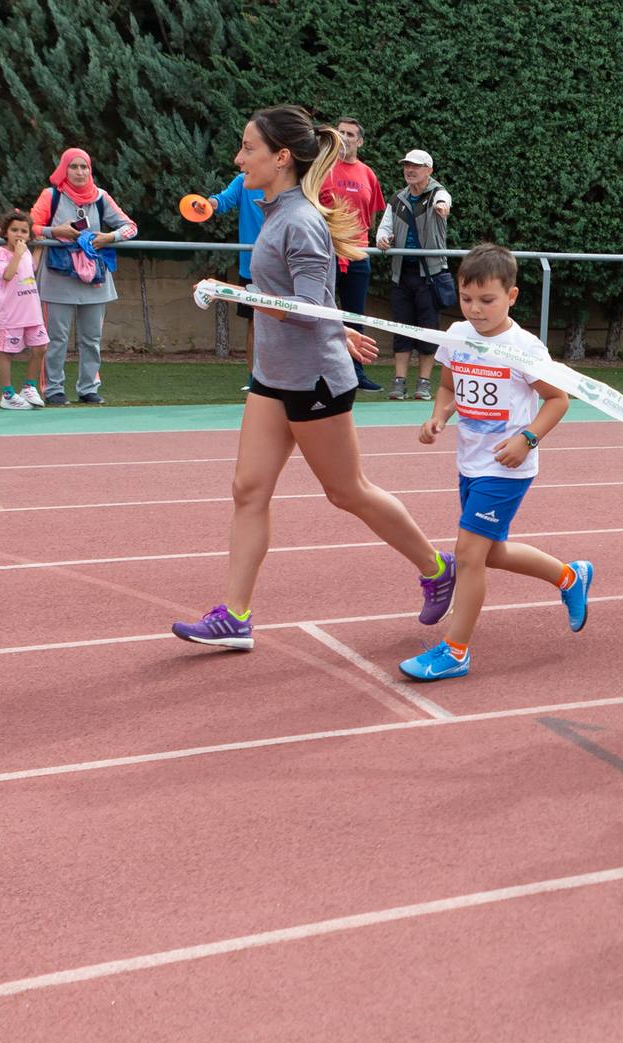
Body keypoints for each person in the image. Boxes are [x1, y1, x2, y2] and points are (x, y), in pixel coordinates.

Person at [172, 107, 456, 651]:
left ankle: (437, 567)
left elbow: (305, 309)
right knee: (248, 489)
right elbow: (318, 301)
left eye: (247, 148)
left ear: (280, 157)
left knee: (346, 491)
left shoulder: (299, 219)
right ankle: (235, 616)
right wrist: (341, 331)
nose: (238, 159)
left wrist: (237, 294)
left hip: (314, 382)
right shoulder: (278, 213)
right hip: (272, 376)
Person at [399, 244, 594, 681]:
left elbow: (558, 399)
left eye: (487, 300)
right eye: (467, 299)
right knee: (489, 552)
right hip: (469, 462)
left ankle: (455, 651)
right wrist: (438, 416)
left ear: (511, 295)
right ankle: (569, 576)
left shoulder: (523, 347)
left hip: (506, 468)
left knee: (468, 555)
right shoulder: (456, 335)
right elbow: (448, 387)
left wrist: (527, 439)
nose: (476, 309)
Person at [29, 147, 136, 405]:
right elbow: (29, 227)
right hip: (58, 276)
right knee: (56, 337)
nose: (79, 172)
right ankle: (53, 388)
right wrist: (56, 231)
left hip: (94, 278)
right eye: (73, 167)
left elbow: (130, 227)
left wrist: (109, 237)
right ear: (64, 169)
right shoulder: (50, 195)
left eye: (84, 167)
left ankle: (89, 387)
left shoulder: (101, 197)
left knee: (92, 338)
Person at [374, 150, 452, 401]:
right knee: (402, 328)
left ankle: (425, 382)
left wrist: (442, 207)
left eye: (416, 166)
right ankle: (399, 382)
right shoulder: (397, 199)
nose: (410, 170)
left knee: (428, 330)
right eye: (407, 165)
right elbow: (383, 229)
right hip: (402, 274)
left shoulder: (437, 193)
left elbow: (444, 201)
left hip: (429, 275)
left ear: (429, 170)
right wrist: (383, 239)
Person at [325, 117, 384, 393]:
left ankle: (356, 372)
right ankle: (321, 373)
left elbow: (369, 213)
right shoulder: (322, 169)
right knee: (322, 312)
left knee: (354, 314)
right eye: (340, 133)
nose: (345, 137)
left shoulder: (368, 174)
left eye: (350, 134)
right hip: (326, 251)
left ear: (359, 141)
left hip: (358, 253)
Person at [207, 171, 267, 377]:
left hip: (283, 268)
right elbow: (222, 200)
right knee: (255, 322)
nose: (240, 158)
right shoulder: (244, 180)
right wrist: (208, 204)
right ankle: (254, 380)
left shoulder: (290, 180)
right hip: (251, 266)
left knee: (289, 324)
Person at [0, 211, 47, 409]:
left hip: (32, 312)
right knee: (8, 353)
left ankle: (29, 387)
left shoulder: (26, 252)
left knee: (41, 348)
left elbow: (31, 268)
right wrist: (18, 253)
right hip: (12, 315)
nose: (19, 234)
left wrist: (37, 249)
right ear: (6, 233)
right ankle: (7, 394)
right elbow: (7, 275)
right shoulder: (2, 254)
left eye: (24, 231)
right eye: (14, 230)